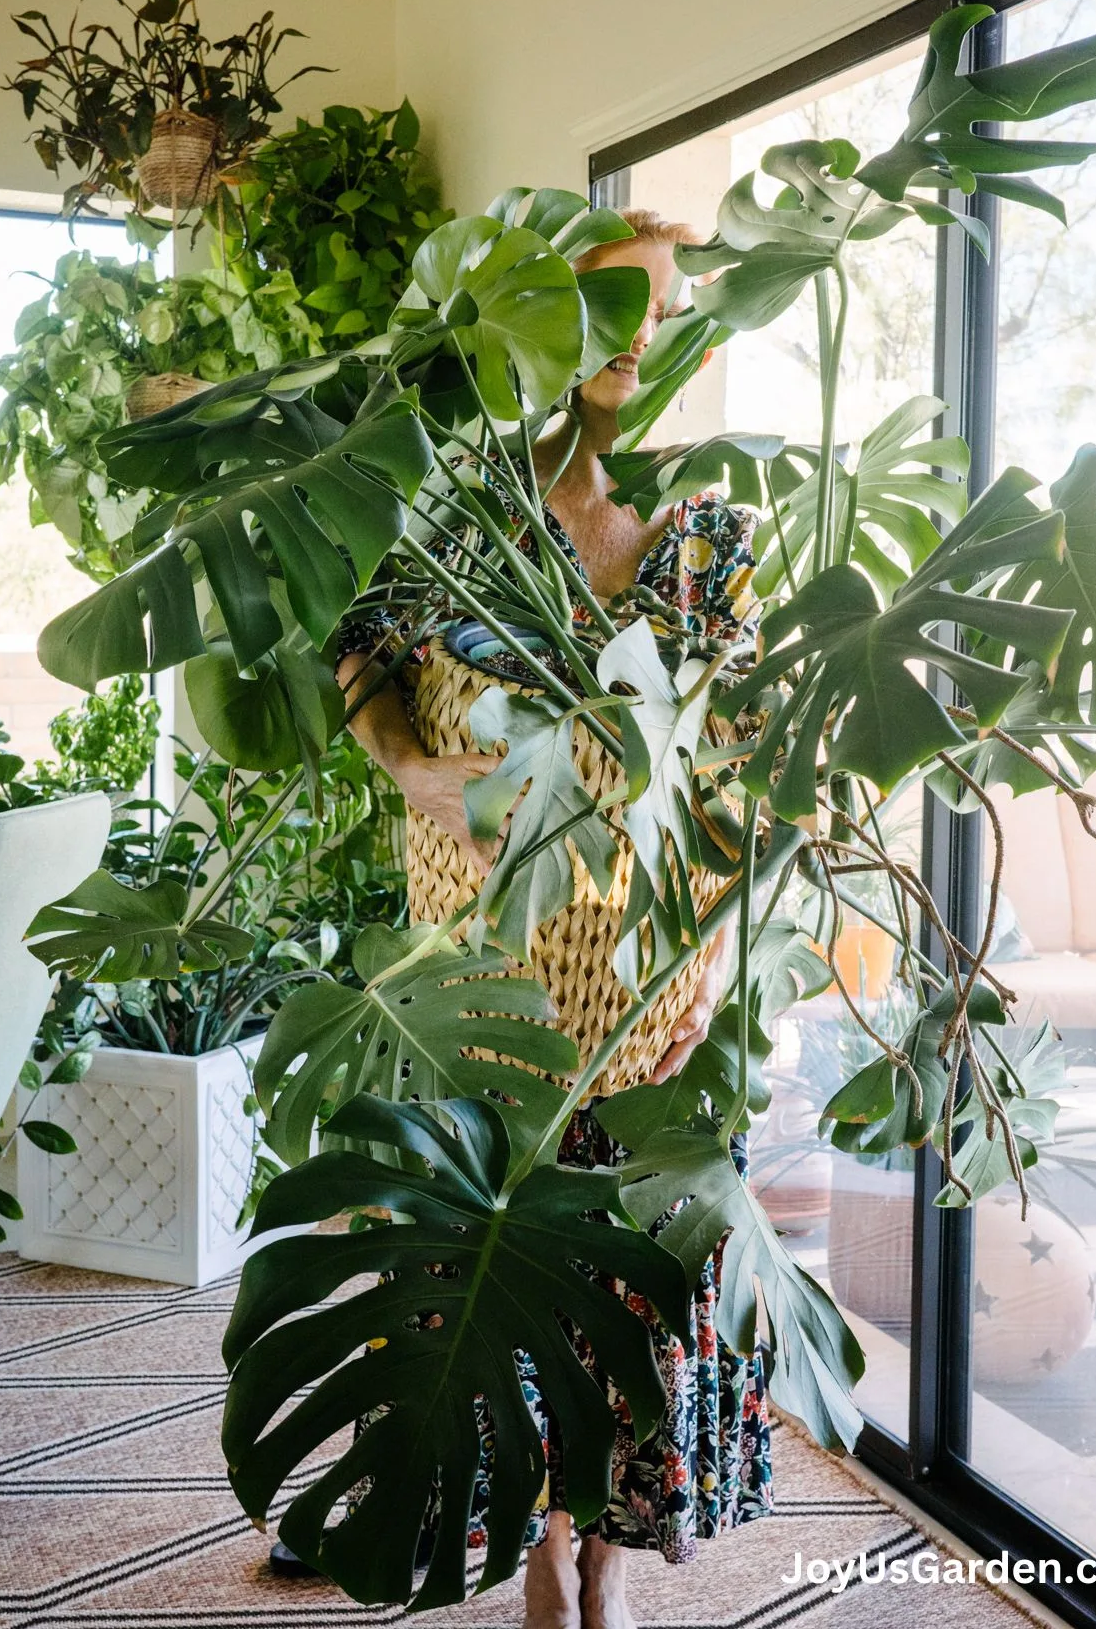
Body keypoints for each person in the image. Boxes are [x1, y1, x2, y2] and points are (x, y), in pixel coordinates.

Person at [334, 211, 773, 1629]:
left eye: (664, 309)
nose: (637, 335)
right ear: (545, 318)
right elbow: (362, 655)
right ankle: (530, 1553)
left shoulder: (716, 531)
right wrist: (410, 766)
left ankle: (602, 1557)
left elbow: (755, 734)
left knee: (625, 1284)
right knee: (491, 1274)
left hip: (650, 988)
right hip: (476, 980)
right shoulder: (469, 508)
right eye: (605, 305)